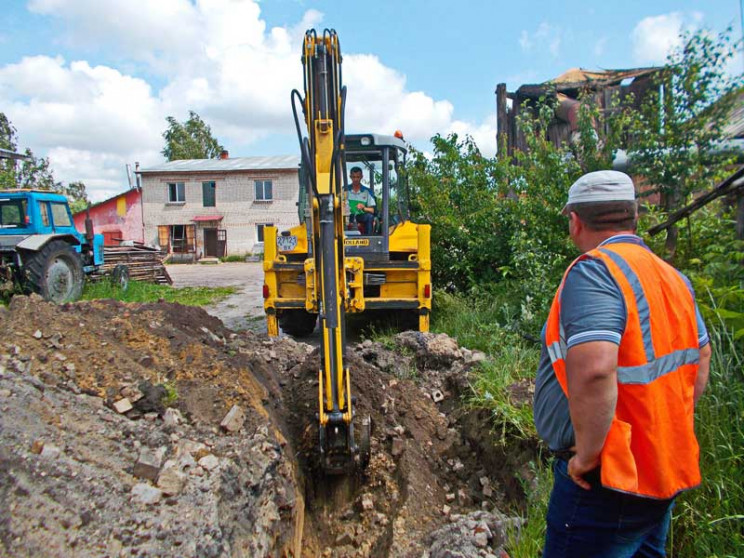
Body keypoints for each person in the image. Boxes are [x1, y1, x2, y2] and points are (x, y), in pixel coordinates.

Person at [533, 170, 712, 557]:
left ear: (576, 222)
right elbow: (701, 355)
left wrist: (587, 456)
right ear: (634, 218)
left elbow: (596, 369)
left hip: (607, 480)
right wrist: (664, 428)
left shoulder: (596, 271)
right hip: (657, 467)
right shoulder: (671, 276)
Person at [345, 166, 376, 234]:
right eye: (353, 177)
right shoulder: (344, 191)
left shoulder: (367, 192)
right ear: (350, 176)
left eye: (358, 177)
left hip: (360, 217)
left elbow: (372, 210)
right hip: (347, 216)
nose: (355, 179)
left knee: (369, 217)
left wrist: (364, 208)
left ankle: (368, 238)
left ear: (361, 176)